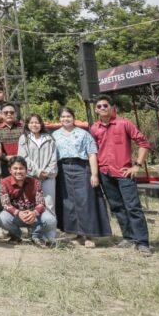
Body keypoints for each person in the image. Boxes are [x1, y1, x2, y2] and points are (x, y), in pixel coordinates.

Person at [90, 95, 153, 255]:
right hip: (105, 173)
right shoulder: (94, 128)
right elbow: (92, 151)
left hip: (124, 173)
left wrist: (137, 165)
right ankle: (128, 237)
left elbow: (143, 143)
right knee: (117, 207)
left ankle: (142, 242)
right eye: (99, 106)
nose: (102, 108)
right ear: (96, 110)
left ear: (112, 107)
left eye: (105, 105)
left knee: (133, 207)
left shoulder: (124, 124)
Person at [52, 106, 110, 248]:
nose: (66, 119)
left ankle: (90, 235)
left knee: (86, 201)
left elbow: (91, 154)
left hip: (82, 168)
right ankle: (77, 234)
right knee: (69, 203)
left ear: (74, 117)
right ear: (59, 119)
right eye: (63, 116)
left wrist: (94, 174)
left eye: (68, 116)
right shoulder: (55, 135)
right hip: (63, 169)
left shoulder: (84, 134)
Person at [0, 156, 56, 247]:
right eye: (15, 168)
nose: (18, 171)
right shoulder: (4, 183)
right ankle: (16, 235)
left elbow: (41, 203)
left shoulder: (35, 182)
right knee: (2, 218)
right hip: (17, 216)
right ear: (10, 170)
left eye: (21, 168)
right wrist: (18, 213)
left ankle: (36, 235)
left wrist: (34, 213)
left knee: (51, 220)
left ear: (26, 170)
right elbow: (6, 204)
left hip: (34, 216)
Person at [19, 113, 57, 214]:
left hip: (48, 177)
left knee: (49, 203)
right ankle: (33, 228)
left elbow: (53, 158)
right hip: (31, 175)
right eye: (31, 122)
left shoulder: (49, 138)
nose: (34, 125)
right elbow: (23, 157)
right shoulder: (24, 138)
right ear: (27, 124)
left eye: (37, 122)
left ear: (41, 124)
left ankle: (50, 228)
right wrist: (38, 172)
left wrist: (47, 172)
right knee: (32, 203)